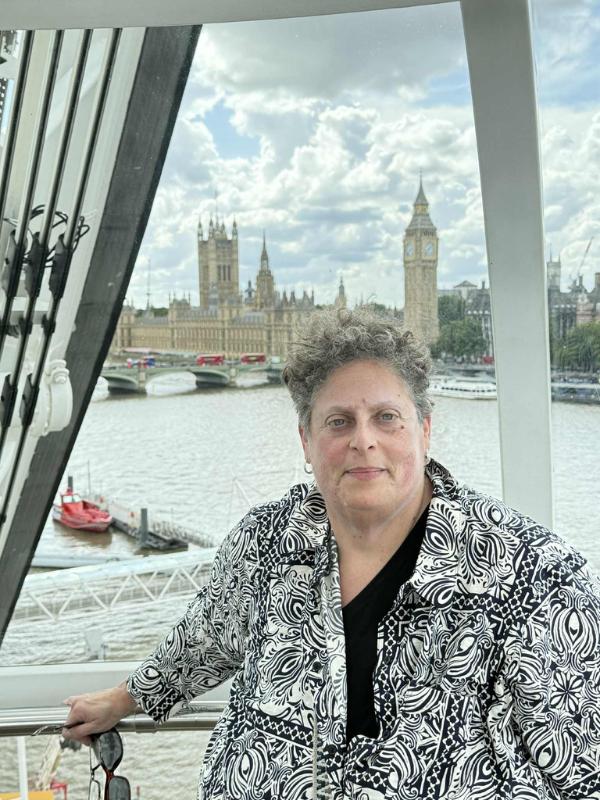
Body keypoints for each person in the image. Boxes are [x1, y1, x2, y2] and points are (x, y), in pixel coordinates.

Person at [64, 307, 600, 799]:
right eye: (338, 421)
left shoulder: (534, 573)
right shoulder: (267, 541)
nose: (363, 440)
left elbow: (580, 770)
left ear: (425, 430)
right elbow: (206, 638)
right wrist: (124, 699)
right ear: (306, 440)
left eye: (387, 418)